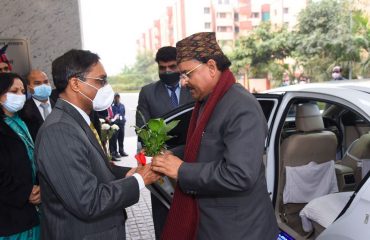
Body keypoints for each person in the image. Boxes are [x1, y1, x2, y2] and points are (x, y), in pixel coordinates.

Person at [151, 32, 279, 240]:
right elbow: (204, 146)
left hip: (240, 230)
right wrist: (169, 157)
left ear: (211, 67)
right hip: (213, 225)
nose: (182, 82)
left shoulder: (241, 106)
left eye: (186, 74)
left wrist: (181, 170)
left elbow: (239, 174)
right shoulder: (208, 102)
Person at [34, 49, 160, 240]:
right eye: (100, 81)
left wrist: (129, 172)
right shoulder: (59, 130)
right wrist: (139, 180)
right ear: (75, 83)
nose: (106, 87)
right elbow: (88, 201)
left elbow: (94, 167)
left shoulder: (77, 120)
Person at [136, 46, 193, 239]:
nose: (167, 71)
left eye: (171, 67)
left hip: (191, 162)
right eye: (162, 68)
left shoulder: (191, 87)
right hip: (161, 168)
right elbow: (143, 129)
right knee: (164, 220)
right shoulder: (148, 92)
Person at [0, 72, 40, 239]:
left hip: (35, 209)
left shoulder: (26, 121)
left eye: (23, 91)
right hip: (10, 216)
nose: (20, 96)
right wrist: (25, 193)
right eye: (13, 91)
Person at [19, 70, 54, 141]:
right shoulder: (23, 111)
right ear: (28, 88)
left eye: (46, 82)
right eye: (37, 83)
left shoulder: (60, 102)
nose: (43, 86)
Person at [110, 93, 128, 157]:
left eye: (118, 97)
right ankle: (115, 152)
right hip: (115, 124)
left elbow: (123, 113)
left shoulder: (122, 105)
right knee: (114, 139)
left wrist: (123, 120)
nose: (117, 98)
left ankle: (121, 151)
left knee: (121, 138)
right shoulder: (112, 106)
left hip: (121, 124)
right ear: (114, 98)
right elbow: (111, 116)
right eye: (115, 97)